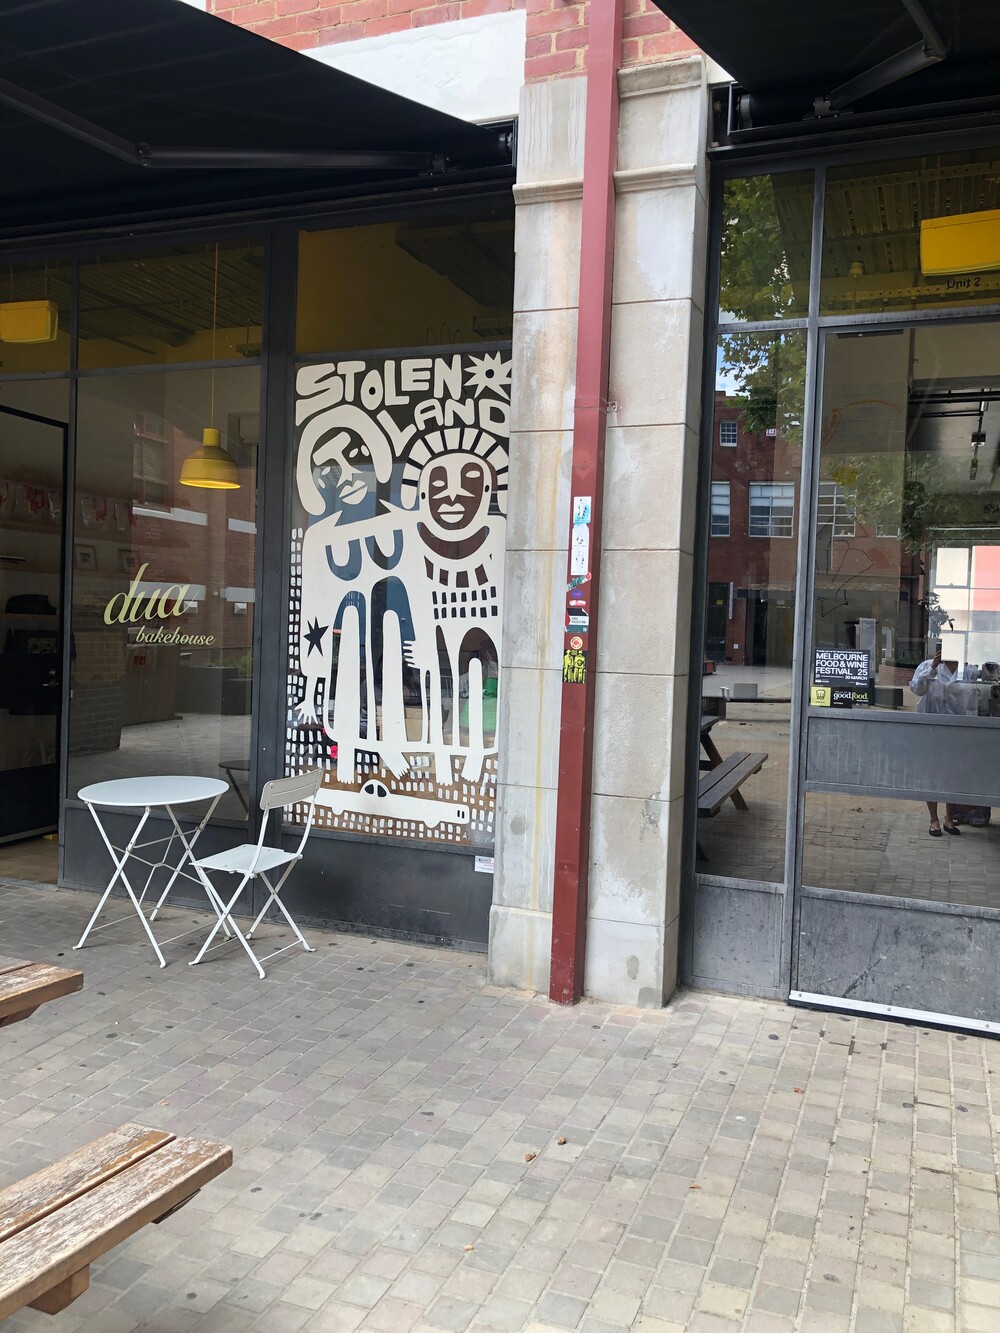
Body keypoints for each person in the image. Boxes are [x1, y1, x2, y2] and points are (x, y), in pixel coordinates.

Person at [909, 646, 976, 836]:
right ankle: (933, 819)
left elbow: (972, 701)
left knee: (952, 775)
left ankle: (949, 818)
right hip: (931, 730)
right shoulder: (927, 666)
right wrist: (932, 667)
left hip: (956, 731)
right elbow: (917, 689)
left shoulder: (968, 670)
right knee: (931, 774)